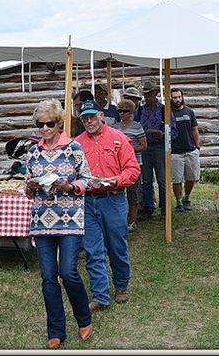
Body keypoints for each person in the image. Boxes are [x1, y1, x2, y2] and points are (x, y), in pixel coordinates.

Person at [24, 99, 93, 349]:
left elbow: (87, 179)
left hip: (70, 219)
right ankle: (56, 330)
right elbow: (27, 187)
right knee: (48, 277)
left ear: (59, 123)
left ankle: (84, 318)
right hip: (42, 220)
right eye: (40, 125)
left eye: (49, 124)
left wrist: (70, 186)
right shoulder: (32, 152)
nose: (44, 129)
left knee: (68, 272)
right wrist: (30, 187)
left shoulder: (74, 148)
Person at [76, 100, 140, 312]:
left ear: (101, 115)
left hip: (113, 199)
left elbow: (133, 170)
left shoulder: (119, 139)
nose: (89, 121)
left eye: (92, 116)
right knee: (93, 250)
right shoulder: (77, 144)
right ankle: (100, 295)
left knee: (117, 246)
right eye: (85, 118)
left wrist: (117, 180)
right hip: (87, 200)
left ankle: (121, 286)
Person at [134, 82, 174, 218]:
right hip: (144, 147)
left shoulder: (164, 110)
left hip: (159, 146)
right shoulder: (139, 110)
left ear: (155, 94)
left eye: (150, 94)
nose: (147, 97)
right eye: (145, 94)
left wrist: (163, 134)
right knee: (146, 180)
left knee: (162, 180)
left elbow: (173, 131)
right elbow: (135, 127)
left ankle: (164, 209)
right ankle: (148, 208)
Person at [114, 99, 147, 232]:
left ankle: (133, 221)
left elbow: (144, 145)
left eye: (125, 111)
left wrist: (129, 150)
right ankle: (121, 219)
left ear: (131, 112)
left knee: (132, 193)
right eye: (120, 111)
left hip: (133, 163)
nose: (122, 114)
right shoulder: (115, 127)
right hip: (118, 165)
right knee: (118, 192)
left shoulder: (137, 127)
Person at [170, 88, 200, 212]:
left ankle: (186, 198)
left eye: (179, 97)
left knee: (191, 177)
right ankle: (178, 202)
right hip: (175, 152)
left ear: (182, 97)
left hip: (190, 150)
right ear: (171, 99)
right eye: (175, 97)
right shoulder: (168, 113)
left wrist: (197, 146)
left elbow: (194, 129)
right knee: (176, 180)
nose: (177, 100)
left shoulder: (189, 112)